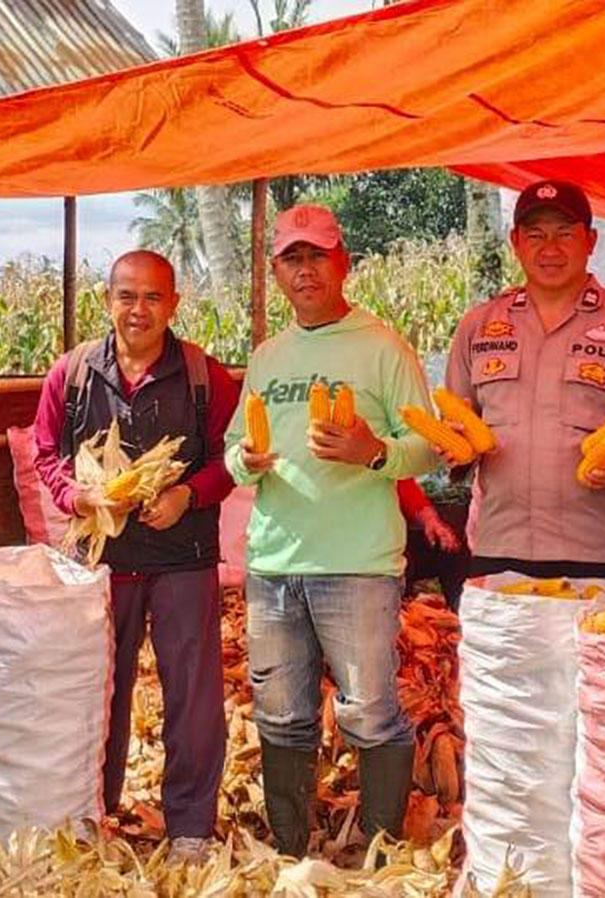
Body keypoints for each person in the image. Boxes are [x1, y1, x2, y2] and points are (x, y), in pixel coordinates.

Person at [224, 205, 437, 857]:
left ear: (343, 263)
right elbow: (233, 448)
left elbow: (428, 448)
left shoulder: (381, 347)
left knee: (370, 712)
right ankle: (290, 845)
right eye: (292, 258)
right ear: (277, 272)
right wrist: (247, 461)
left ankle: (379, 847)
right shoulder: (268, 356)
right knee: (281, 715)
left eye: (317, 255)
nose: (305, 270)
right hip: (274, 565)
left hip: (357, 566)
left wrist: (375, 452)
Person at [33, 250, 238, 863]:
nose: (138, 309)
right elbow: (47, 454)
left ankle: (191, 828)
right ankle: (95, 809)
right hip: (101, 565)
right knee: (96, 692)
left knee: (192, 697)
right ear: (107, 301)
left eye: (153, 297)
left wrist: (187, 495)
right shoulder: (70, 375)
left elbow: (232, 459)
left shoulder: (205, 376)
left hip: (182, 557)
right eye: (127, 296)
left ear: (173, 304)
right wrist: (79, 495)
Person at [443, 179, 605, 588]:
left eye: (564, 234)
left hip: (597, 551)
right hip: (500, 545)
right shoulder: (478, 326)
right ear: (515, 241)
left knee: (590, 655)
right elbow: (456, 421)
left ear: (591, 240)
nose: (549, 248)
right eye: (536, 235)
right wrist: (454, 446)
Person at [397, 478, 467, 611]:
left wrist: (432, 521)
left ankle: (461, 614)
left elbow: (408, 491)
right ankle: (402, 612)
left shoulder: (389, 467)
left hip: (399, 544)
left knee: (451, 550)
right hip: (372, 556)